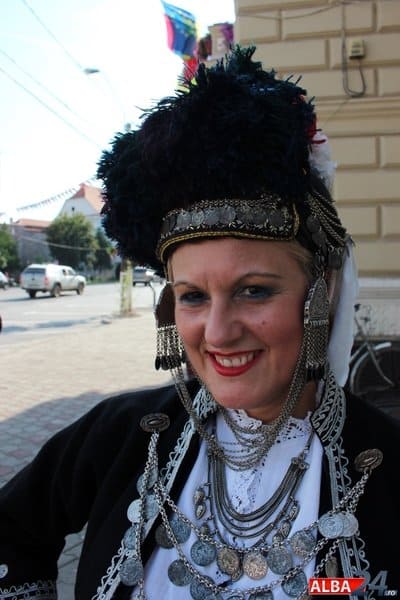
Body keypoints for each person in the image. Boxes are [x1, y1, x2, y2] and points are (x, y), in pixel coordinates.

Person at [0, 46, 399, 600]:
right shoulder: (120, 434)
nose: (217, 332)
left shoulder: (388, 466)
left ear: (323, 291)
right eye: (192, 296)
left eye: (254, 290)